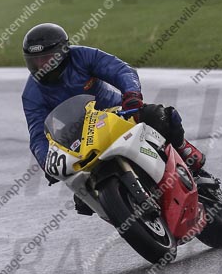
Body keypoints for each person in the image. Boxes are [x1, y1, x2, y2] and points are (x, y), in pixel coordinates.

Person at [21, 23, 205, 214]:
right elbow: (37, 136)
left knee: (157, 115)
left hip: (115, 111)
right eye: (35, 61)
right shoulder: (31, 94)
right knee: (82, 198)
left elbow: (121, 71)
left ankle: (183, 149)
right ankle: (121, 208)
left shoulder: (84, 56)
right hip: (80, 135)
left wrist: (132, 95)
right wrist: (47, 163)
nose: (42, 65)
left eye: (47, 58)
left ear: (63, 52)